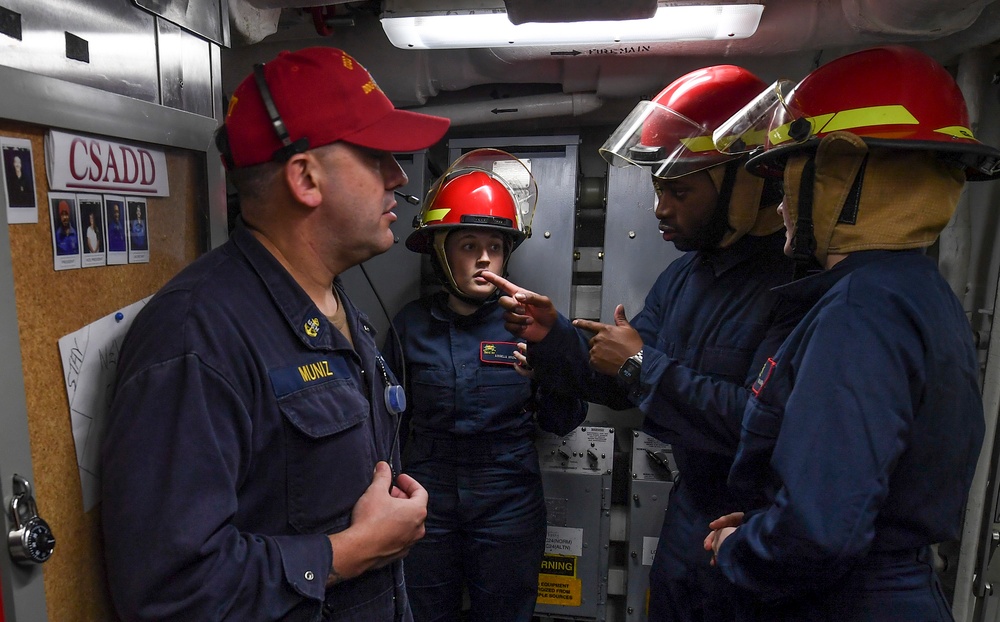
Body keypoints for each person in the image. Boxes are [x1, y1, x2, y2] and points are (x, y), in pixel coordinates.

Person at [101, 46, 450, 621]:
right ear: (306, 178)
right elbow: (170, 590)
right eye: (375, 154)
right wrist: (349, 553)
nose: (398, 174)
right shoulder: (195, 338)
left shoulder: (335, 302)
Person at [482, 65, 799, 622]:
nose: (660, 209)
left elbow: (763, 425)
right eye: (657, 190)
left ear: (754, 178)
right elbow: (618, 384)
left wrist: (641, 364)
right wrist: (551, 335)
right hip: (689, 519)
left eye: (679, 190)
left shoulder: (799, 286)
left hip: (762, 527)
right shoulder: (686, 278)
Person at [702, 45, 1000, 620]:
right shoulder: (912, 290)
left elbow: (822, 529)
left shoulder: (861, 309)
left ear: (840, 168)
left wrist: (744, 547)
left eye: (791, 169)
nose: (781, 199)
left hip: (852, 599)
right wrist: (772, 524)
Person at [382, 149, 588, 622]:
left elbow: (564, 420)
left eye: (493, 247)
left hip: (507, 491)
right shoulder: (410, 326)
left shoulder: (528, 325)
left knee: (506, 611)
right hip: (426, 489)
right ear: (441, 251)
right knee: (424, 610)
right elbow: (388, 423)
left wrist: (548, 372)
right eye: (468, 246)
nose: (482, 259)